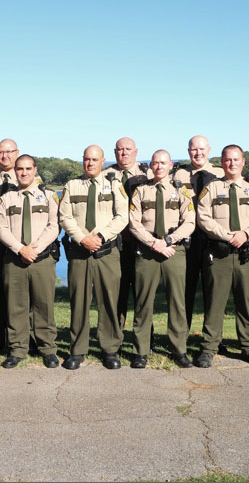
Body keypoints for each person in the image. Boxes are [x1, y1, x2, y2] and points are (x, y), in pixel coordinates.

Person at [195, 145, 249, 368]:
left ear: (243, 161)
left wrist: (246, 234)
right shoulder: (211, 188)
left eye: (236, 159)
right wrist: (227, 235)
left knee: (247, 303)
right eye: (228, 160)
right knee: (214, 303)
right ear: (222, 162)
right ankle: (208, 349)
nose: (232, 164)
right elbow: (203, 217)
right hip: (219, 253)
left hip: (247, 254)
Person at [59, 145, 129, 370]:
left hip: (107, 252)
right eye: (87, 159)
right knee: (78, 301)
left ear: (103, 161)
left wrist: (100, 236)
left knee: (109, 301)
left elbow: (122, 216)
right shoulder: (72, 185)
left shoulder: (114, 184)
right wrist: (82, 238)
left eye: (95, 159)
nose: (90, 163)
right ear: (83, 161)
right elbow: (65, 216)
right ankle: (78, 350)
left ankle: (110, 350)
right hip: (79, 253)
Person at [128, 149, 195, 369]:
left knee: (177, 302)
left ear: (171, 165)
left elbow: (190, 221)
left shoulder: (182, 190)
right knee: (143, 302)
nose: (158, 166)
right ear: (150, 165)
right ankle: (141, 350)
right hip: (147, 251)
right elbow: (134, 222)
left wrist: (168, 240)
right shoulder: (140, 191)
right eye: (155, 163)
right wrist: (153, 243)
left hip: (173, 251)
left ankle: (179, 349)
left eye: (163, 163)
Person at [0, 154, 61, 368]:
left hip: (41, 259)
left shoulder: (49, 196)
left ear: (35, 170)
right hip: (14, 259)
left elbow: (54, 226)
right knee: (16, 306)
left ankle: (47, 348)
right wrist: (20, 248)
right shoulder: (6, 199)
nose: (23, 173)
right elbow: (0, 228)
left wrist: (35, 248)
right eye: (20, 169)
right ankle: (18, 349)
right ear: (15, 171)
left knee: (44, 305)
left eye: (28, 169)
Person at [0, 138, 43, 353]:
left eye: (9, 152)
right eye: (0, 152)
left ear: (17, 152)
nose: (4, 156)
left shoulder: (28, 176)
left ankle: (29, 338)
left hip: (20, 239)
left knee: (25, 294)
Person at [172, 135, 223, 331]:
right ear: (188, 151)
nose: (198, 153)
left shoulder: (220, 173)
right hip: (187, 240)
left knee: (214, 291)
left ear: (209, 150)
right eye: (194, 149)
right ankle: (181, 336)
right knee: (185, 290)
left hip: (212, 238)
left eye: (202, 149)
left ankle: (213, 338)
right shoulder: (178, 176)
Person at [103, 136, 153, 333]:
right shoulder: (105, 175)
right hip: (115, 242)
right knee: (117, 292)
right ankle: (116, 337)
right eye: (120, 149)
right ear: (115, 152)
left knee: (143, 293)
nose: (124, 153)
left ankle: (145, 339)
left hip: (142, 241)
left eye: (128, 149)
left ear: (136, 151)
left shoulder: (148, 173)